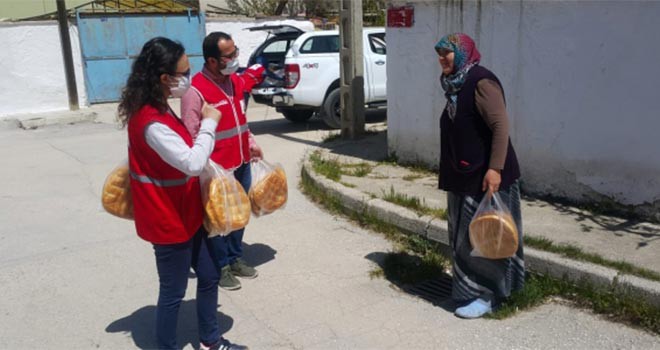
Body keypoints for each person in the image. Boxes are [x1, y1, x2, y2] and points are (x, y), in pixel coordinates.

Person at [118, 37, 247, 350]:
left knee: (209, 273)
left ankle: (210, 341)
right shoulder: (150, 121)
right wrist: (209, 124)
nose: (189, 78)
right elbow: (191, 162)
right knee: (173, 292)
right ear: (165, 78)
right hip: (167, 220)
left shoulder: (158, 107)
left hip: (187, 212)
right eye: (184, 72)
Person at [434, 33, 525, 319]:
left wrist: (495, 169)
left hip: (485, 176)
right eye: (439, 53)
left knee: (489, 237)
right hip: (463, 175)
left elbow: (500, 126)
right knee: (466, 237)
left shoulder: (481, 82)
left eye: (446, 53)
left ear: (462, 54)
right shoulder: (455, 85)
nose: (441, 59)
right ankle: (469, 290)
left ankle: (489, 295)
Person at [181, 32, 266, 291]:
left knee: (239, 216)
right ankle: (221, 266)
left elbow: (240, 118)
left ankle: (235, 257)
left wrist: (250, 142)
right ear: (212, 60)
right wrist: (204, 169)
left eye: (235, 51)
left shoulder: (235, 82)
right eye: (229, 56)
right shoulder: (195, 91)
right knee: (218, 221)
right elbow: (191, 133)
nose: (235, 59)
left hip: (240, 161)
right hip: (216, 170)